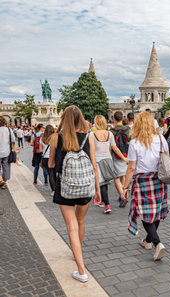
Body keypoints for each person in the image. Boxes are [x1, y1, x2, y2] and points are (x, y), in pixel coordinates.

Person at [48, 105, 101, 283]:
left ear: (64, 119)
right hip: (85, 186)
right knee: (80, 221)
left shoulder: (56, 137)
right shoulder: (88, 137)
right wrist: (98, 189)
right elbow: (94, 165)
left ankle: (81, 270)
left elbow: (50, 164)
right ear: (80, 119)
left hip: (65, 188)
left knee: (71, 226)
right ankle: (77, 252)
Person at [122, 112, 168, 261]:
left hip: (142, 180)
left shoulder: (135, 143)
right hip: (159, 178)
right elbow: (166, 158)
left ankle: (157, 243)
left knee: (144, 212)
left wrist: (125, 187)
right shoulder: (161, 139)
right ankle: (148, 240)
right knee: (157, 211)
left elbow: (131, 167)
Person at [92, 115, 129, 213]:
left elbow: (91, 151)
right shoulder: (109, 134)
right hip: (108, 159)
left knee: (102, 183)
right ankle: (121, 194)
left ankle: (107, 204)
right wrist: (124, 158)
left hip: (97, 160)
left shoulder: (92, 135)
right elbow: (115, 148)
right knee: (111, 179)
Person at [110, 111, 130, 206]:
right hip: (127, 155)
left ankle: (122, 195)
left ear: (114, 119)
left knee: (116, 177)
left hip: (116, 155)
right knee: (125, 176)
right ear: (123, 119)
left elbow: (111, 146)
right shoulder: (128, 130)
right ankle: (125, 193)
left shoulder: (111, 131)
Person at [39, 125, 56, 195]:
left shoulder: (42, 138)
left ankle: (53, 190)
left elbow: (40, 150)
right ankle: (57, 189)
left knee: (50, 174)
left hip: (46, 158)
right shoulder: (55, 138)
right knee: (55, 174)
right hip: (54, 157)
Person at [0, 116, 15, 189]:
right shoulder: (9, 130)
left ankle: (0, 180)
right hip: (6, 151)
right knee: (6, 167)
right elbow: (13, 140)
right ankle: (4, 182)